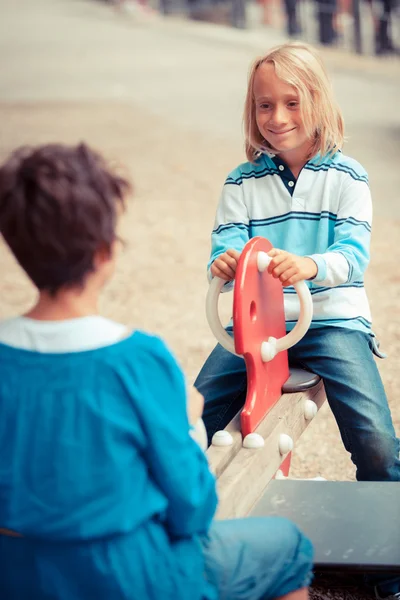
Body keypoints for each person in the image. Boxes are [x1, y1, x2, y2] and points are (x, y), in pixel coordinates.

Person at [0, 143, 313, 600]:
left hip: (18, 576)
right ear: (105, 252)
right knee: (287, 547)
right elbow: (193, 509)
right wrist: (189, 424)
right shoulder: (137, 361)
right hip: (131, 577)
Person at [194, 42, 400, 485]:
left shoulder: (348, 177)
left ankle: (386, 513)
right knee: (199, 417)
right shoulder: (241, 182)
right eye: (265, 105)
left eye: (292, 103)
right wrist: (224, 263)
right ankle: (196, 510)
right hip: (257, 327)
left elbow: (352, 257)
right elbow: (224, 245)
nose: (278, 118)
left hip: (331, 321)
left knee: (376, 439)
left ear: (318, 103)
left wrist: (310, 265)